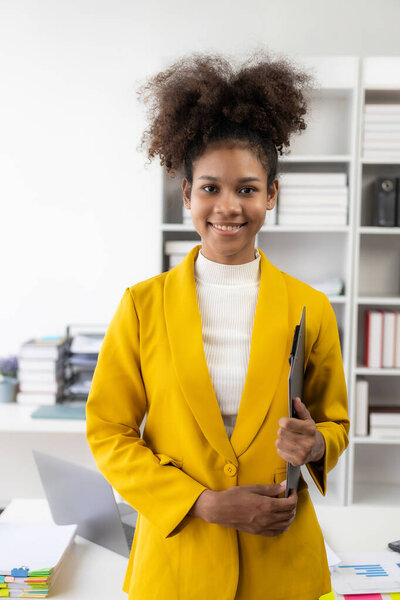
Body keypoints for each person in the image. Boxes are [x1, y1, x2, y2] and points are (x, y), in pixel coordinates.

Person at [86, 50, 350, 600]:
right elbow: (109, 432)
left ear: (271, 195)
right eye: (210, 187)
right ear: (186, 195)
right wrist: (201, 502)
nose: (227, 207)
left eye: (247, 189)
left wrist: (317, 446)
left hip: (282, 565)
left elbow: (334, 424)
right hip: (178, 565)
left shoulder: (310, 307)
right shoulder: (141, 306)